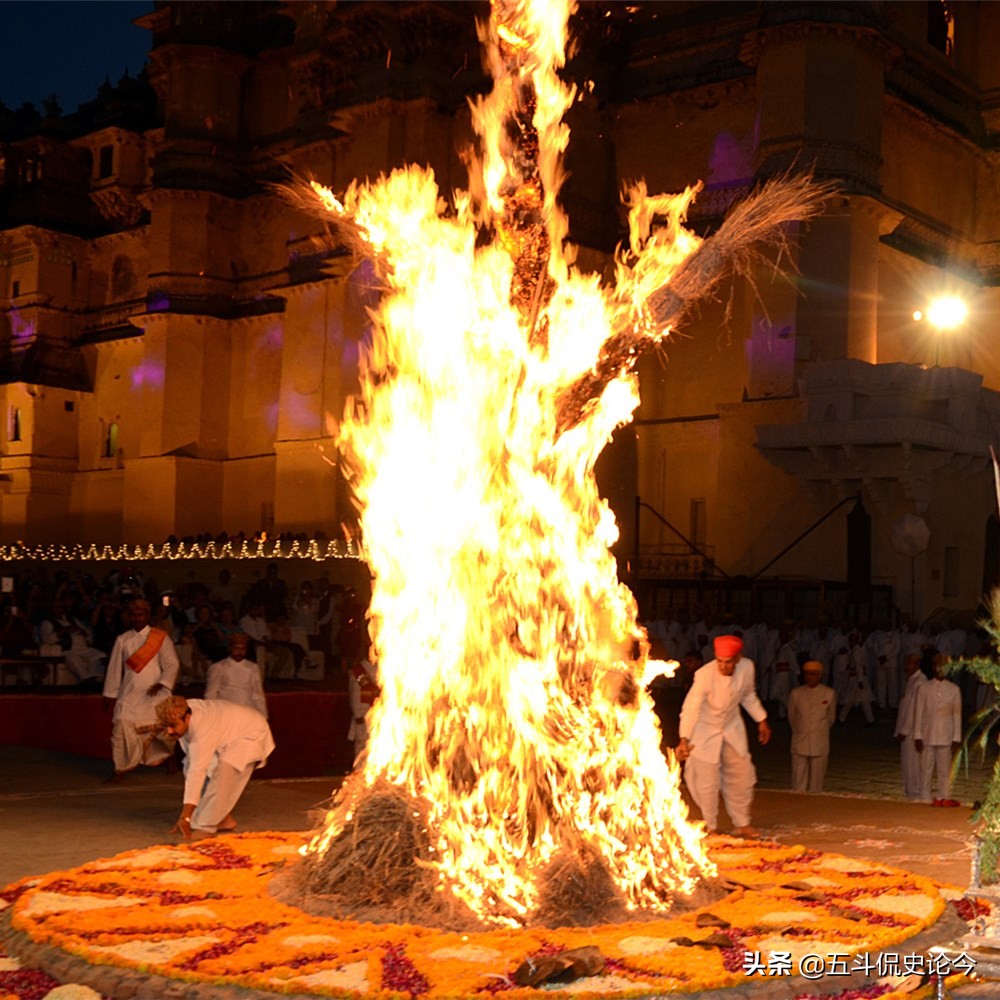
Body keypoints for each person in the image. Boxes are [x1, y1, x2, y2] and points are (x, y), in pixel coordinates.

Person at [676, 634, 771, 836]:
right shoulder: (704, 675)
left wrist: (761, 720)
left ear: (737, 659)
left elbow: (748, 695)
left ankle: (742, 823)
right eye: (720, 661)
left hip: (731, 726)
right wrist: (684, 738)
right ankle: (710, 826)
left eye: (728, 662)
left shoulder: (747, 668)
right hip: (704, 729)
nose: (723, 666)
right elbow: (691, 708)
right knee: (706, 780)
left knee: (741, 774)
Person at [156, 694, 275, 839]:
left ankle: (206, 826)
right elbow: (195, 766)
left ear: (187, 718)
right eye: (166, 726)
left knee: (225, 771)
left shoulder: (202, 728)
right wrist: (187, 814)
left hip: (251, 733)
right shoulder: (181, 710)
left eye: (173, 726)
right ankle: (223, 819)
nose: (169, 731)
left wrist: (185, 816)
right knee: (189, 765)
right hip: (227, 736)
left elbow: (197, 771)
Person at [102, 599, 180, 782]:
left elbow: (172, 664)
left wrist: (162, 683)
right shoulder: (123, 639)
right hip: (129, 692)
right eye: (134, 615)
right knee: (121, 726)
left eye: (141, 614)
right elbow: (114, 669)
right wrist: (109, 694)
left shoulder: (160, 637)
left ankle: (169, 759)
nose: (137, 618)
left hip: (155, 692)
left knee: (161, 730)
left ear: (147, 616)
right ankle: (119, 769)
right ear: (129, 617)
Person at [913, 653, 963, 806]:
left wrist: (956, 737)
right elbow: (919, 713)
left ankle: (944, 795)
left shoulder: (954, 689)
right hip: (928, 733)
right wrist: (917, 735)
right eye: (938, 666)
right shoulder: (924, 688)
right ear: (933, 667)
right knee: (925, 768)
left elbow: (957, 715)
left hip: (946, 735)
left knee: (944, 768)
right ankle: (924, 795)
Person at [787, 660, 836, 792]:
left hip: (819, 739)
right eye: (807, 674)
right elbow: (792, 717)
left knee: (817, 780)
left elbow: (830, 718)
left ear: (820, 676)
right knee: (798, 778)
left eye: (813, 674)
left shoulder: (828, 693)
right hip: (800, 738)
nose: (810, 677)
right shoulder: (796, 693)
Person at [205, 633, 268, 718]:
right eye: (236, 648)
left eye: (243, 649)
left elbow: (258, 694)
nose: (240, 652)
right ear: (230, 648)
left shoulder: (253, 667)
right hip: (226, 712)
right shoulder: (218, 667)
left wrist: (263, 715)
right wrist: (211, 714)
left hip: (248, 710)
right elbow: (211, 693)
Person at [894, 652, 929, 800]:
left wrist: (905, 730)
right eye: (905, 664)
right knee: (907, 764)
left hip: (914, 731)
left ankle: (916, 793)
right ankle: (909, 792)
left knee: (913, 764)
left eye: (909, 664)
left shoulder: (920, 681)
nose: (906, 667)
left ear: (917, 664)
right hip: (907, 729)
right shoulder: (911, 680)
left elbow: (914, 709)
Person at [348, 657, 379, 762]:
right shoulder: (359, 672)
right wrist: (358, 715)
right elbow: (355, 695)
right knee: (363, 746)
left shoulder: (385, 668)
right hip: (364, 715)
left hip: (379, 714)